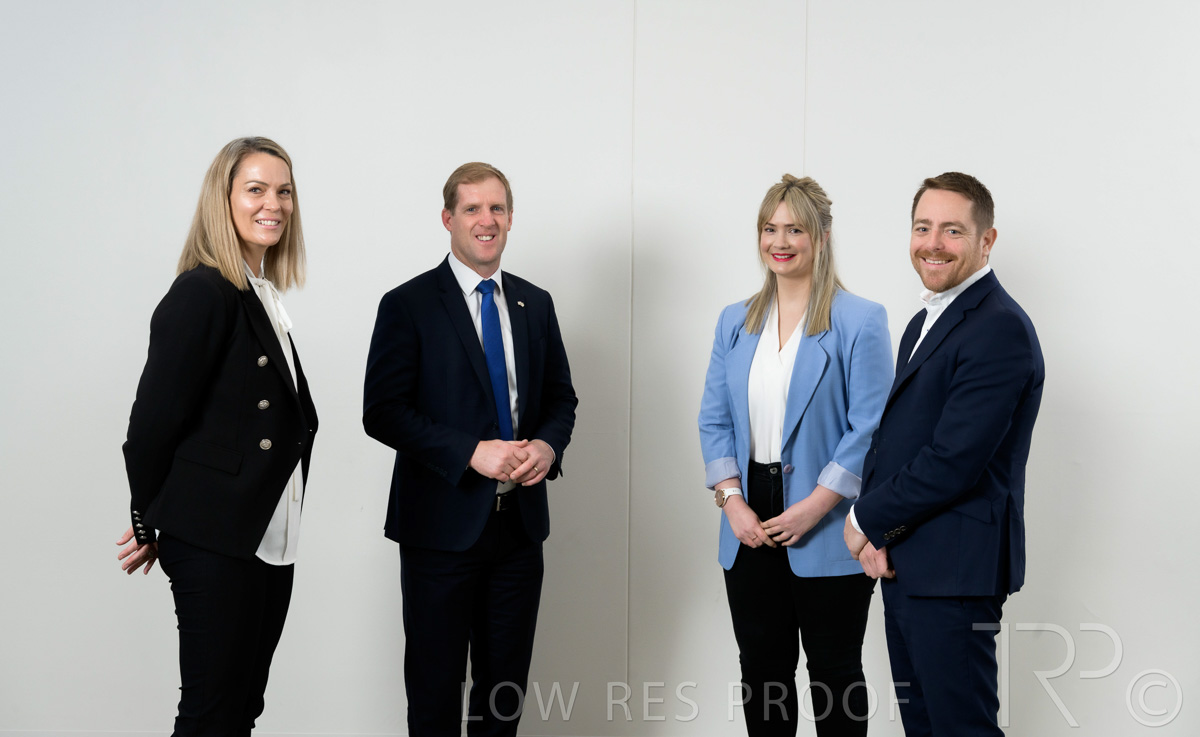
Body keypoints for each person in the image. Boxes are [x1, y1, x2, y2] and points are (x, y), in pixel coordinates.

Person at [363, 162, 577, 737]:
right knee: (435, 694)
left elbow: (561, 398)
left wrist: (547, 446)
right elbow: (382, 411)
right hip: (440, 530)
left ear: (510, 218)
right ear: (448, 219)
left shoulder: (535, 303)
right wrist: (469, 452)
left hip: (519, 531)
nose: (487, 220)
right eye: (473, 209)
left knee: (503, 698)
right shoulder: (408, 304)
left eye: (497, 208)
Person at [116, 136, 318, 736]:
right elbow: (150, 426)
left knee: (240, 711)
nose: (273, 204)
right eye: (255, 189)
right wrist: (151, 518)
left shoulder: (261, 294)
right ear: (222, 199)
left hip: (268, 538)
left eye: (283, 191)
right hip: (215, 538)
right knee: (210, 715)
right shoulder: (202, 291)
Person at [844, 172, 1044, 736]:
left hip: (955, 573)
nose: (933, 243)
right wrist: (882, 535)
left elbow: (953, 460)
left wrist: (864, 519)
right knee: (924, 727)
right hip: (910, 563)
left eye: (952, 230)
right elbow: (899, 440)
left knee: (961, 729)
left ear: (987, 240)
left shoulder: (998, 328)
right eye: (922, 227)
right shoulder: (922, 323)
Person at [699, 175, 894, 736]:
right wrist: (731, 500)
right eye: (769, 228)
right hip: (747, 518)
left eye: (795, 229)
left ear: (822, 236)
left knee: (834, 675)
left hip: (830, 517)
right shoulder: (734, 321)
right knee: (763, 675)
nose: (779, 242)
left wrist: (816, 505)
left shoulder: (861, 320)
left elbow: (870, 427)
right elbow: (714, 420)